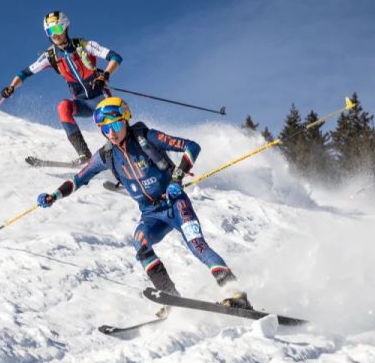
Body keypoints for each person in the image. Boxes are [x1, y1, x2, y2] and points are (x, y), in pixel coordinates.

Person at [35, 97, 251, 317]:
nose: (112, 132)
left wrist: (177, 179)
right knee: (140, 242)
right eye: (106, 128)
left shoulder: (147, 137)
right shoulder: (106, 155)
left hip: (175, 203)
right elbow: (78, 179)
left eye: (117, 125)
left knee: (197, 245)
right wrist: (54, 195)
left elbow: (192, 147)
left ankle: (237, 296)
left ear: (126, 121)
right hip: (151, 214)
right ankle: (170, 295)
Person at [1, 11, 122, 163]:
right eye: (50, 32)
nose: (55, 35)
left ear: (65, 28)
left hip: (101, 99)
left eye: (57, 30)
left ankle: (124, 154)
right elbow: (25, 73)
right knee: (63, 107)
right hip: (82, 103)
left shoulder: (84, 45)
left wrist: (105, 75)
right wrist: (11, 87)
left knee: (112, 128)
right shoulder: (50, 56)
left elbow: (115, 57)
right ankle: (84, 155)